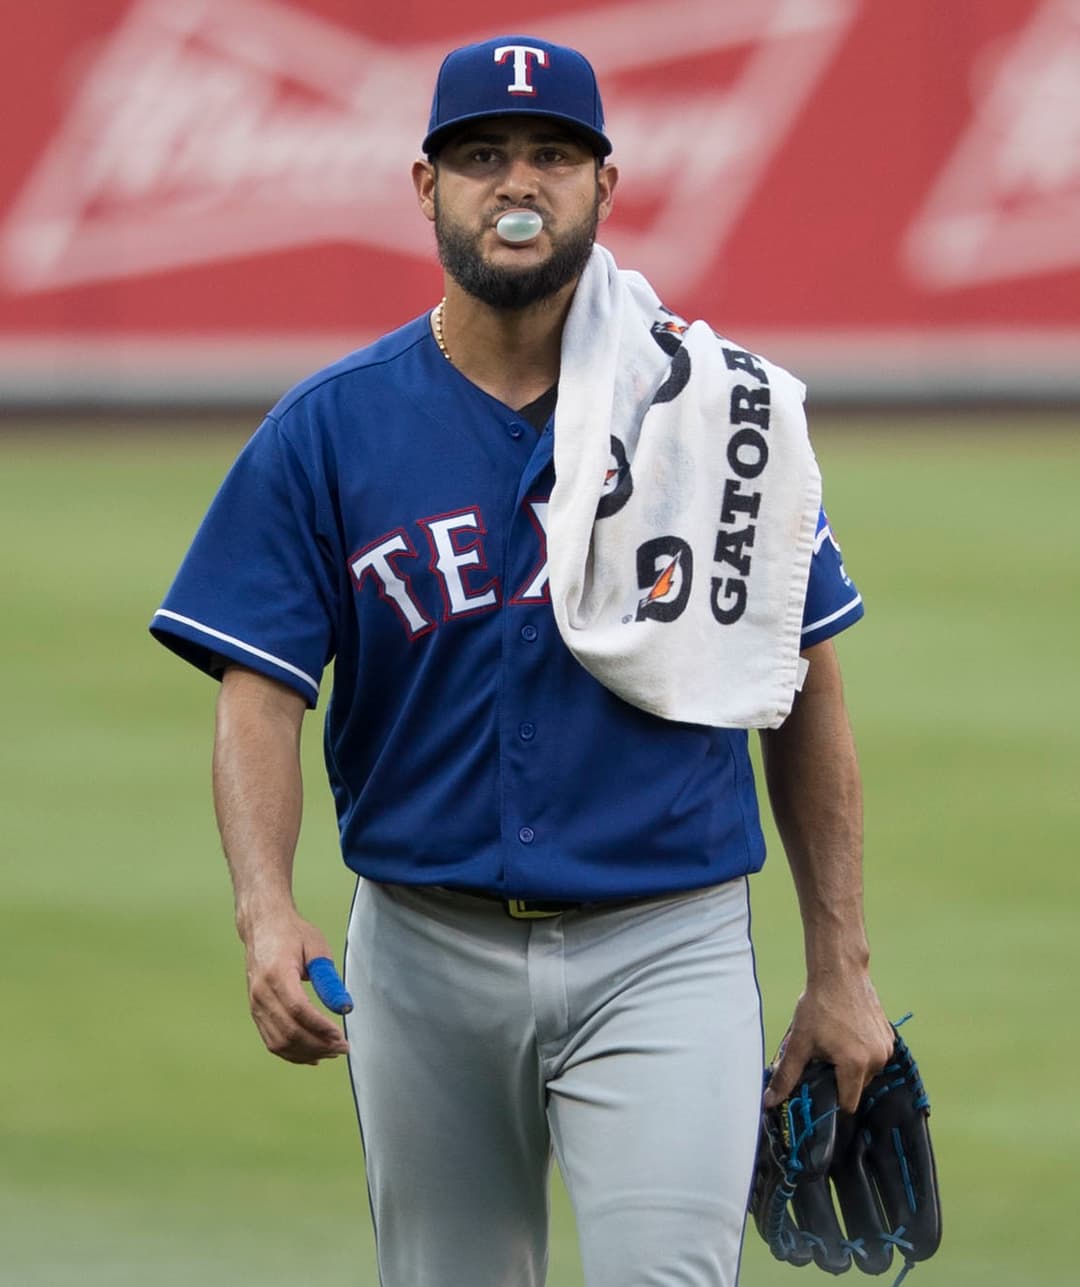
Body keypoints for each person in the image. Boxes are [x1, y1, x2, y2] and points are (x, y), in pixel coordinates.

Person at [151, 33, 894, 1287]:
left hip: (667, 943)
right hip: (423, 951)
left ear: (605, 186)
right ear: (425, 186)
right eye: (481, 154)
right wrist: (265, 910)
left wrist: (842, 968)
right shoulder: (329, 430)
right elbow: (260, 689)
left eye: (555, 154)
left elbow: (801, 681)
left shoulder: (717, 416)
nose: (518, 181)